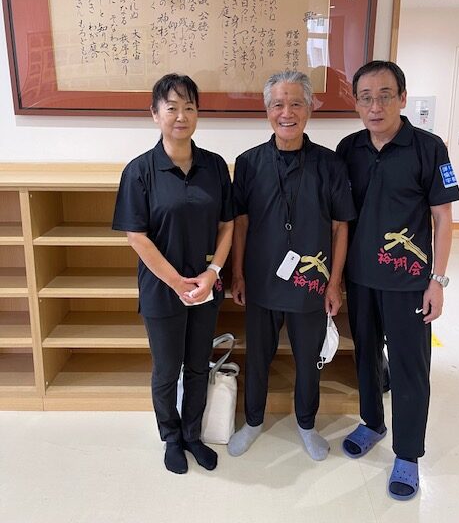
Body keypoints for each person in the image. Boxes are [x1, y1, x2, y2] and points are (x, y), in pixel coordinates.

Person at [336, 60, 459, 500]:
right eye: (366, 98)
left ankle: (407, 453)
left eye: (385, 96)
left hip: (409, 281)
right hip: (361, 278)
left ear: (403, 98)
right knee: (367, 356)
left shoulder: (429, 148)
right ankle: (372, 422)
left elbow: (443, 218)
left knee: (410, 367)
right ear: (356, 103)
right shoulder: (348, 148)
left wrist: (437, 281)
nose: (375, 106)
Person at [228, 70, 356, 460]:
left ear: (310, 108)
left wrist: (334, 283)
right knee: (258, 357)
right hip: (261, 280)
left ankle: (306, 424)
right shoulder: (248, 163)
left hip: (311, 284)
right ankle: (253, 421)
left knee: (308, 359)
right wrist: (237, 274)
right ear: (267, 110)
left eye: (296, 103)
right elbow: (240, 223)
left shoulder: (331, 164)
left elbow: (340, 227)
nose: (287, 113)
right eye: (278, 104)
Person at [112, 73, 233, 475]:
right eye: (172, 108)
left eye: (189, 107)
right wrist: (177, 282)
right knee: (167, 370)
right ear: (155, 114)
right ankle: (171, 437)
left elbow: (227, 225)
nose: (182, 116)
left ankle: (193, 435)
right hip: (163, 289)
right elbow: (137, 236)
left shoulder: (215, 166)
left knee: (199, 365)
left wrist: (212, 273)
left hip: (206, 286)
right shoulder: (140, 171)